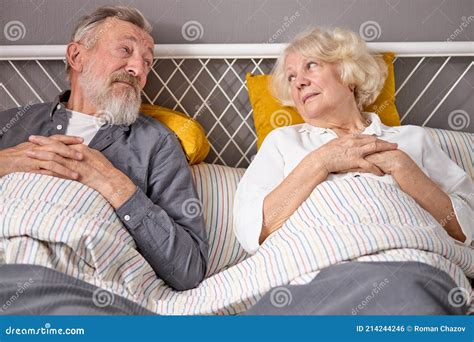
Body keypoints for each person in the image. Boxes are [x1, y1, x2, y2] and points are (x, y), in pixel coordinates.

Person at [234, 27, 473, 314]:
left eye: (311, 65)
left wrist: (407, 171)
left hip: (407, 263)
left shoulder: (412, 139)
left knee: (405, 296)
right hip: (305, 273)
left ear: (348, 74)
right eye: (291, 77)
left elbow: (465, 231)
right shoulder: (283, 142)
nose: (299, 82)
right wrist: (320, 162)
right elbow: (253, 230)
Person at [0, 6, 208, 292]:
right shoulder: (10, 123)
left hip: (85, 287)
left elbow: (189, 269)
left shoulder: (157, 144)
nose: (138, 69)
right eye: (125, 50)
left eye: (147, 63)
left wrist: (111, 183)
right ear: (76, 56)